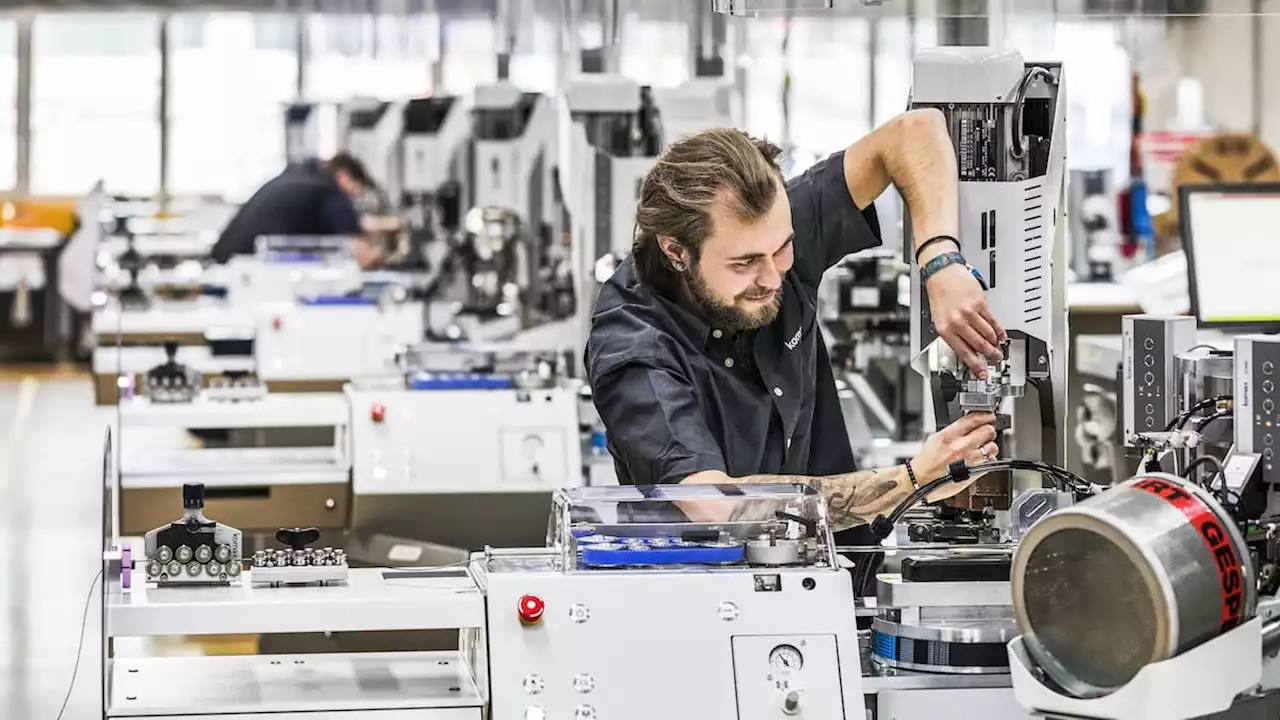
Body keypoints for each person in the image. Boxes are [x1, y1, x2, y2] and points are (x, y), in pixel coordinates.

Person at [585, 111, 1008, 536]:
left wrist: (940, 261)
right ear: (677, 252)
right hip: (708, 589)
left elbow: (915, 133)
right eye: (745, 263)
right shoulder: (634, 345)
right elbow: (711, 503)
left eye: (784, 248)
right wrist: (912, 481)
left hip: (828, 574)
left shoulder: (765, 226)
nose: (772, 278)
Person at [210, 153, 386, 269]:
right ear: (345, 177)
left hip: (227, 260)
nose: (353, 200)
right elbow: (358, 251)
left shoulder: (302, 177)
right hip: (247, 270)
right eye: (355, 192)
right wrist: (382, 255)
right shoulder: (328, 190)